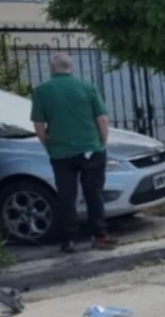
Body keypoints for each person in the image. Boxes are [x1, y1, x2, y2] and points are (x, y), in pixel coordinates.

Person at [30, 53, 117, 253]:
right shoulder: (87, 87)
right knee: (94, 193)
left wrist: (48, 146)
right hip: (91, 148)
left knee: (66, 195)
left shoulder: (42, 91)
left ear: (52, 69)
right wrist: (102, 143)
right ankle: (100, 235)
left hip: (61, 152)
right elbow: (102, 119)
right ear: (72, 68)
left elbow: (39, 126)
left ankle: (69, 239)